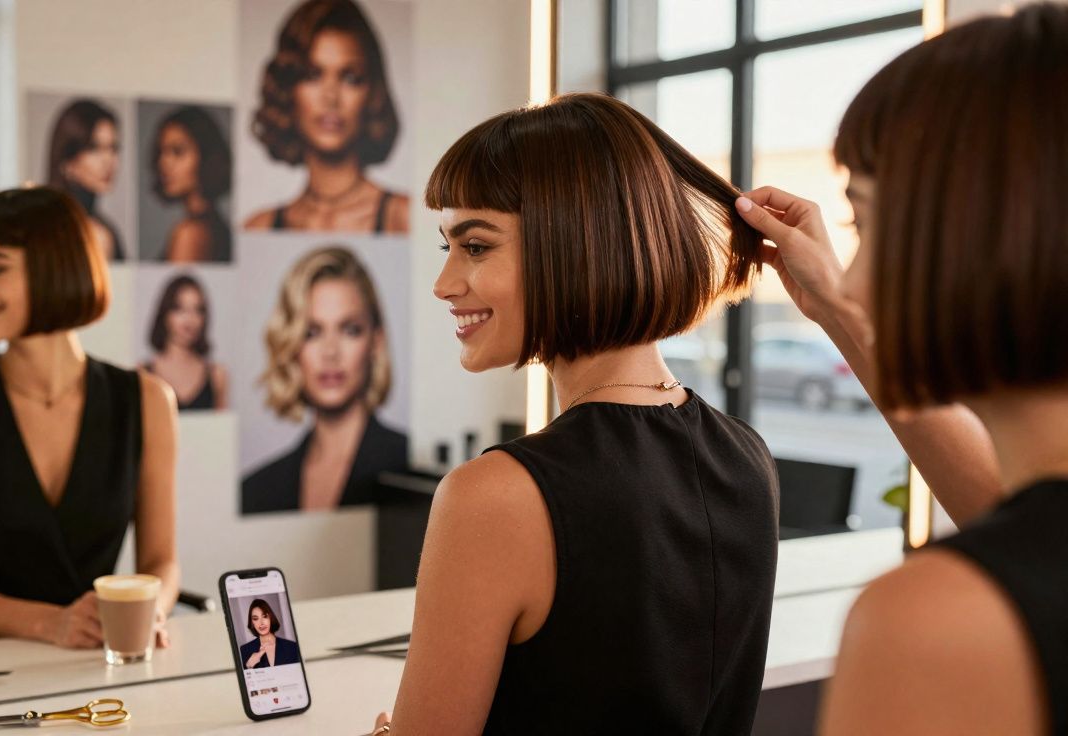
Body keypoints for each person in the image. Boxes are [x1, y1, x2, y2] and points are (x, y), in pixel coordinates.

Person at [370, 93, 776, 735]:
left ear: (576, 242)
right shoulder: (747, 455)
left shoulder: (493, 496)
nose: (444, 282)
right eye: (448, 246)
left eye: (475, 246)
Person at [732, 5, 1068, 734]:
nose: (851, 283)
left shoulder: (934, 621)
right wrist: (838, 317)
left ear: (985, 227)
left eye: (867, 222)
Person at [0, 187, 180, 648]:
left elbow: (161, 560)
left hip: (87, 660)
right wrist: (51, 624)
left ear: (54, 266)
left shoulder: (147, 401)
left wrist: (148, 612)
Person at [241, 246, 407, 513]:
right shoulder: (255, 490)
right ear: (291, 344)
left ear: (376, 341)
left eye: (350, 330)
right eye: (311, 332)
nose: (330, 351)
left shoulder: (411, 470)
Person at [244, 0, 409, 234]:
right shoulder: (258, 228)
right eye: (312, 75)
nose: (331, 97)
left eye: (350, 78)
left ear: (372, 93)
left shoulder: (403, 217)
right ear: (287, 89)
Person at [151, 105, 233, 262]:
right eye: (161, 152)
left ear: (206, 157)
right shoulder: (211, 226)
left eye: (178, 151)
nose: (164, 163)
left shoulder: (191, 234)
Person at [47, 99, 126, 261]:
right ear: (67, 161)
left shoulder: (104, 228)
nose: (108, 160)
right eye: (94, 148)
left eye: (113, 148)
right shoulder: (93, 234)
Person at [143, 274, 228, 411]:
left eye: (198, 310)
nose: (190, 319)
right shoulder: (143, 374)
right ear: (165, 314)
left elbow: (222, 429)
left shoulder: (217, 375)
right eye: (179, 309)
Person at [239, 598, 302, 668]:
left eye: (265, 616)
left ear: (270, 618)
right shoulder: (244, 650)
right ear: (252, 623)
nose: (261, 623)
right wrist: (248, 666)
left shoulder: (292, 647)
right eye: (256, 619)